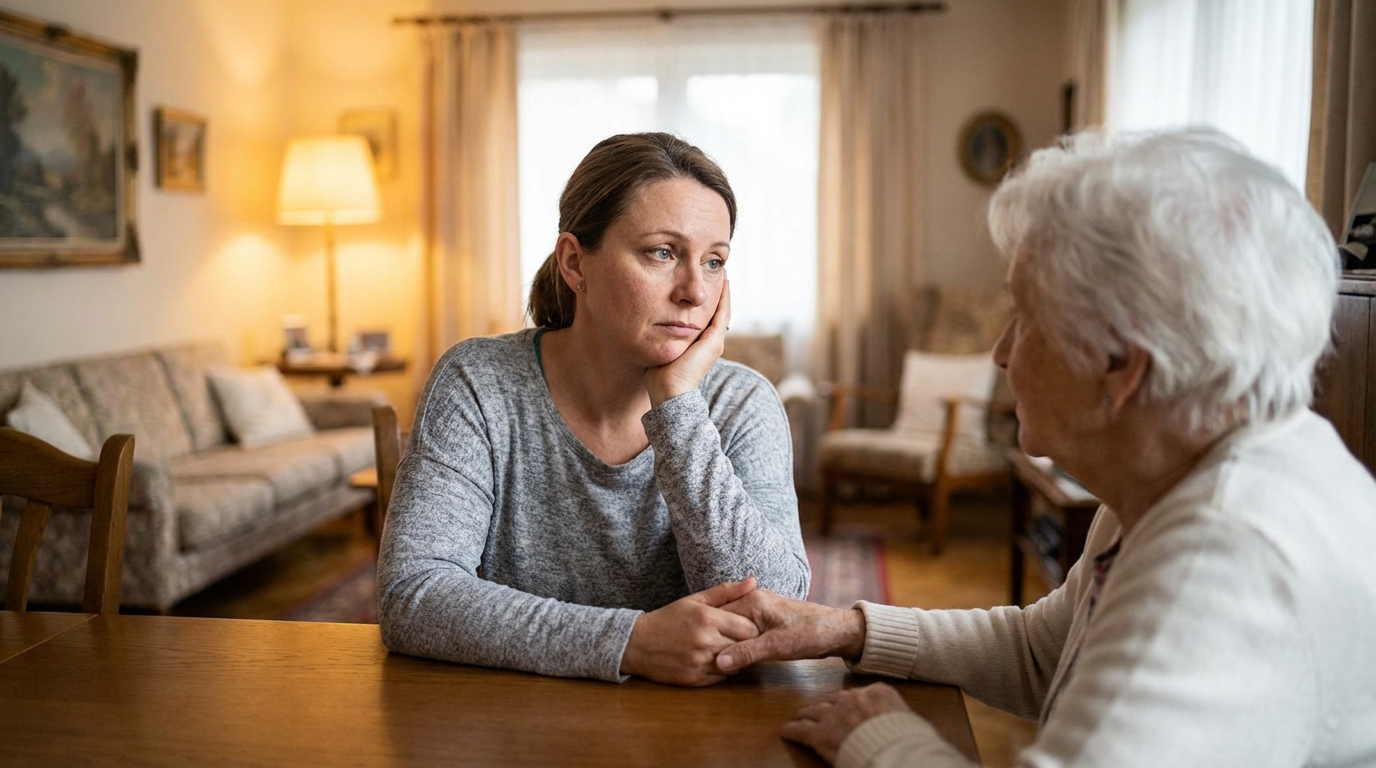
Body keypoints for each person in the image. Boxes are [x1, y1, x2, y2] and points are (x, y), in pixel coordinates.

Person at [712, 129, 1376, 767]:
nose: (1000, 353)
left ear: (1122, 363)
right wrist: (844, 629)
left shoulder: (1226, 557)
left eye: (1025, 318)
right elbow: (1041, 651)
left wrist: (882, 741)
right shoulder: (1178, 472)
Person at [377, 132, 810, 686]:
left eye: (714, 261)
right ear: (575, 263)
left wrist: (678, 407)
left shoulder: (742, 404)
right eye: (663, 253)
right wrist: (630, 642)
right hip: (508, 726)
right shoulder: (479, 383)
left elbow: (774, 611)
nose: (695, 292)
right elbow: (413, 595)